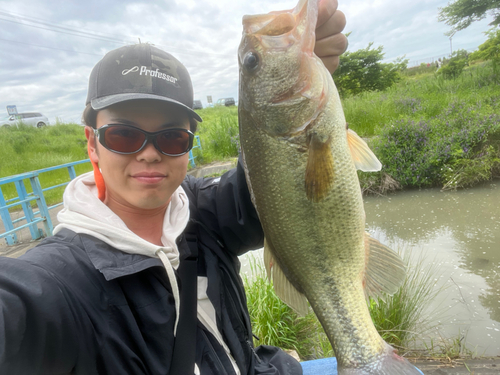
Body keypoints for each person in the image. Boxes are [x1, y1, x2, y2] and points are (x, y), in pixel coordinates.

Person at [0, 1, 348, 374]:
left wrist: (300, 80)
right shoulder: (59, 280)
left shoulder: (204, 211)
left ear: (189, 144)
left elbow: (276, 182)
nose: (149, 154)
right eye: (123, 134)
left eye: (171, 137)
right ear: (91, 144)